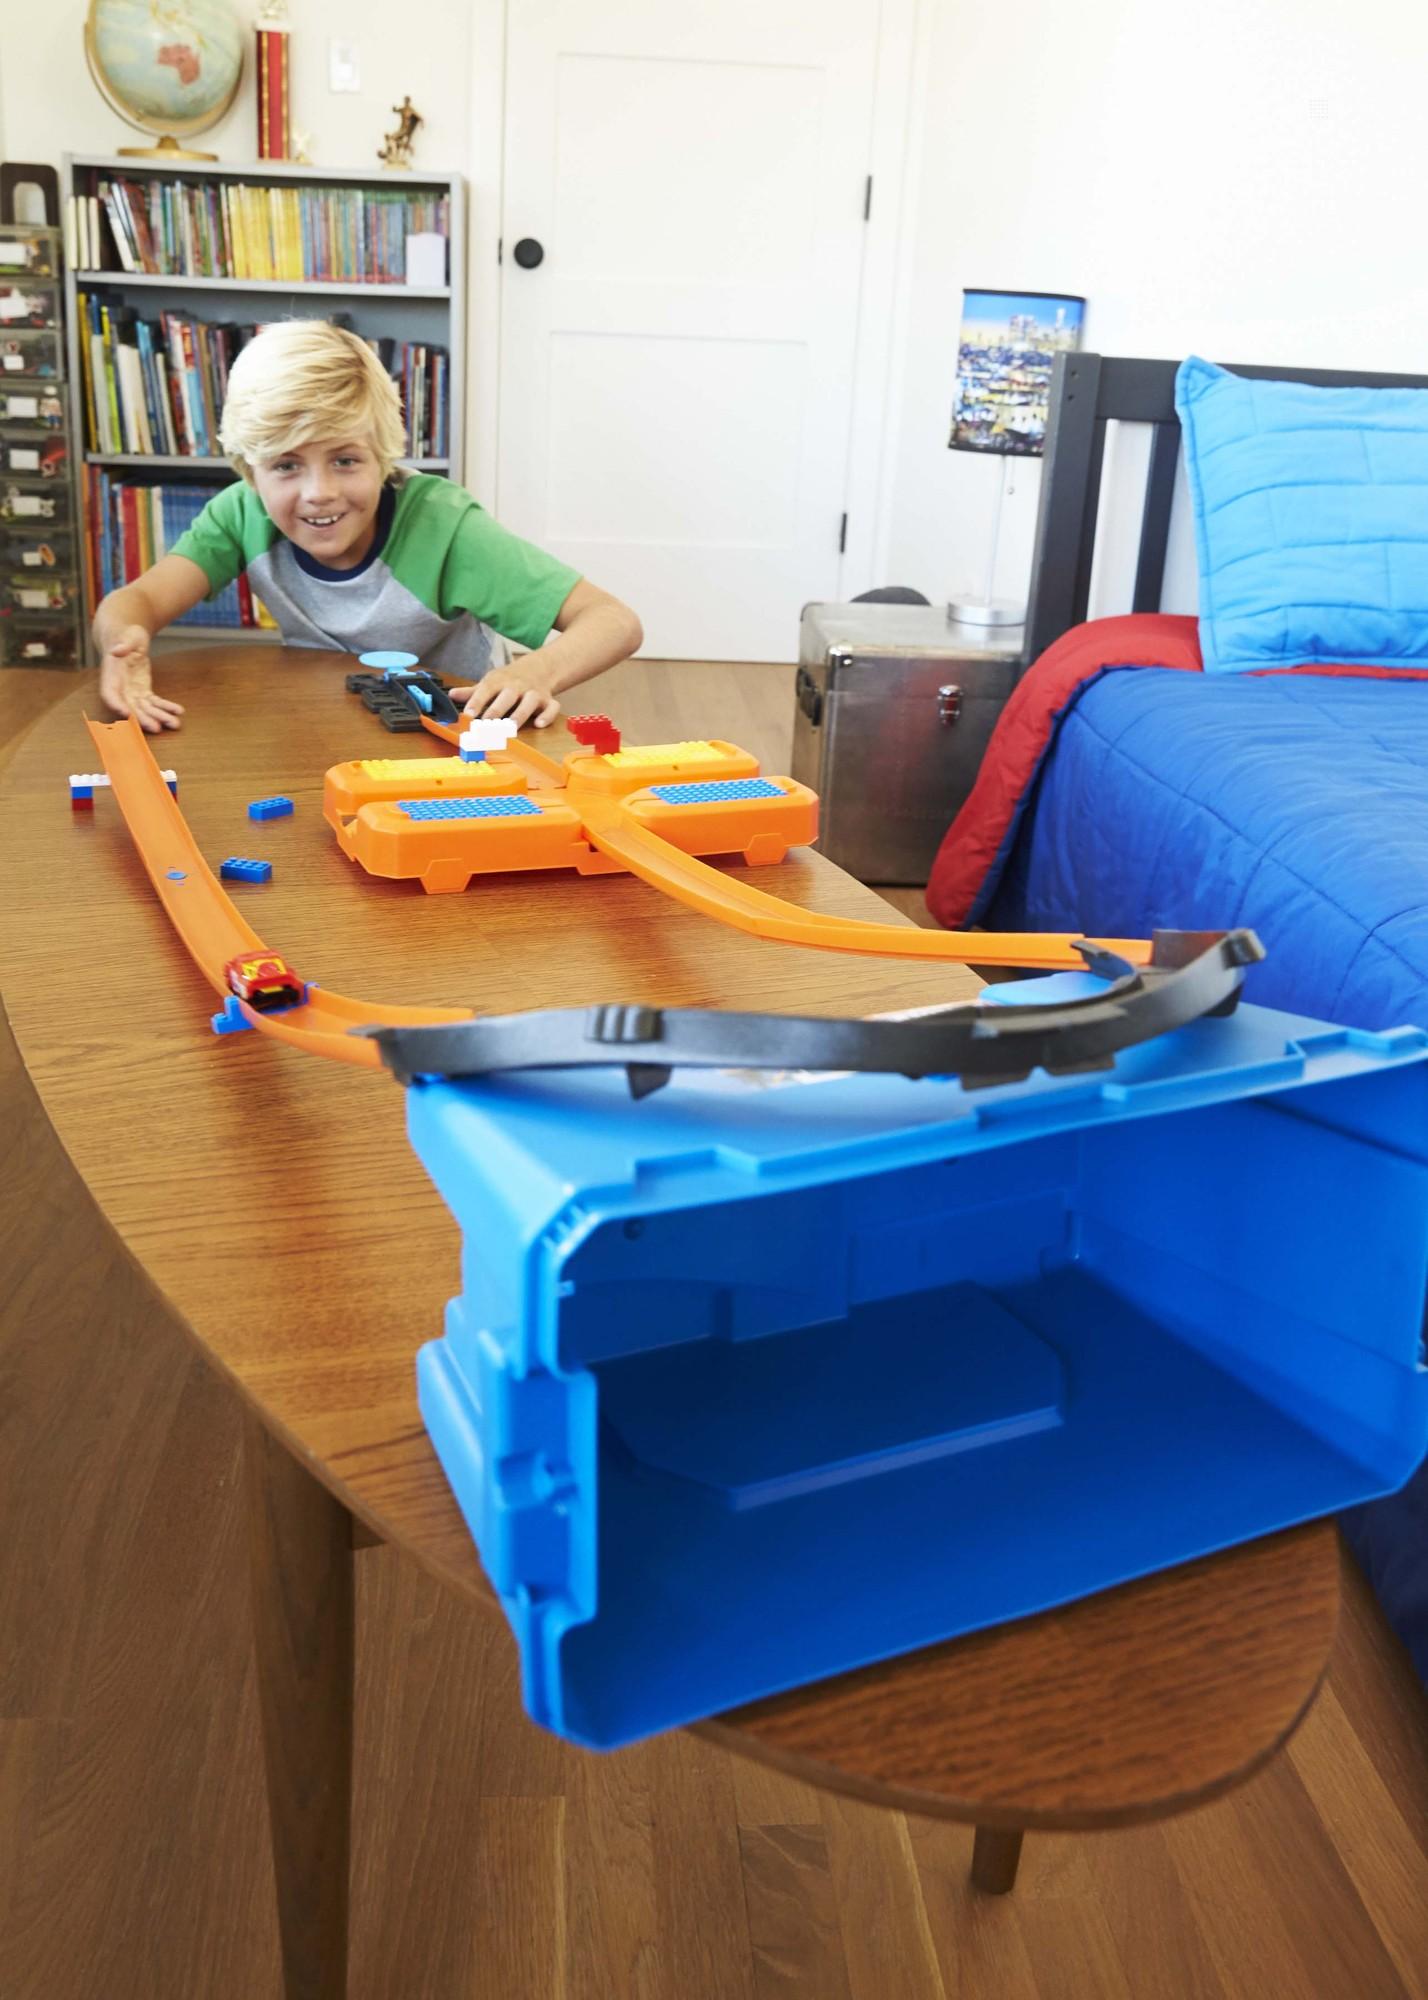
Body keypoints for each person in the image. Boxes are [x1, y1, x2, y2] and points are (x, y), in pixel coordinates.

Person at [92, 318, 643, 733]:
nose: (319, 491)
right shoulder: (240, 512)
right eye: (286, 466)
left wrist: (535, 673)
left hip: (453, 731)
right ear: (250, 471)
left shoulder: (446, 527)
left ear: (383, 457)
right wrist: (124, 643)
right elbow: (135, 603)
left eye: (345, 460)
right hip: (326, 720)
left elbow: (613, 621)